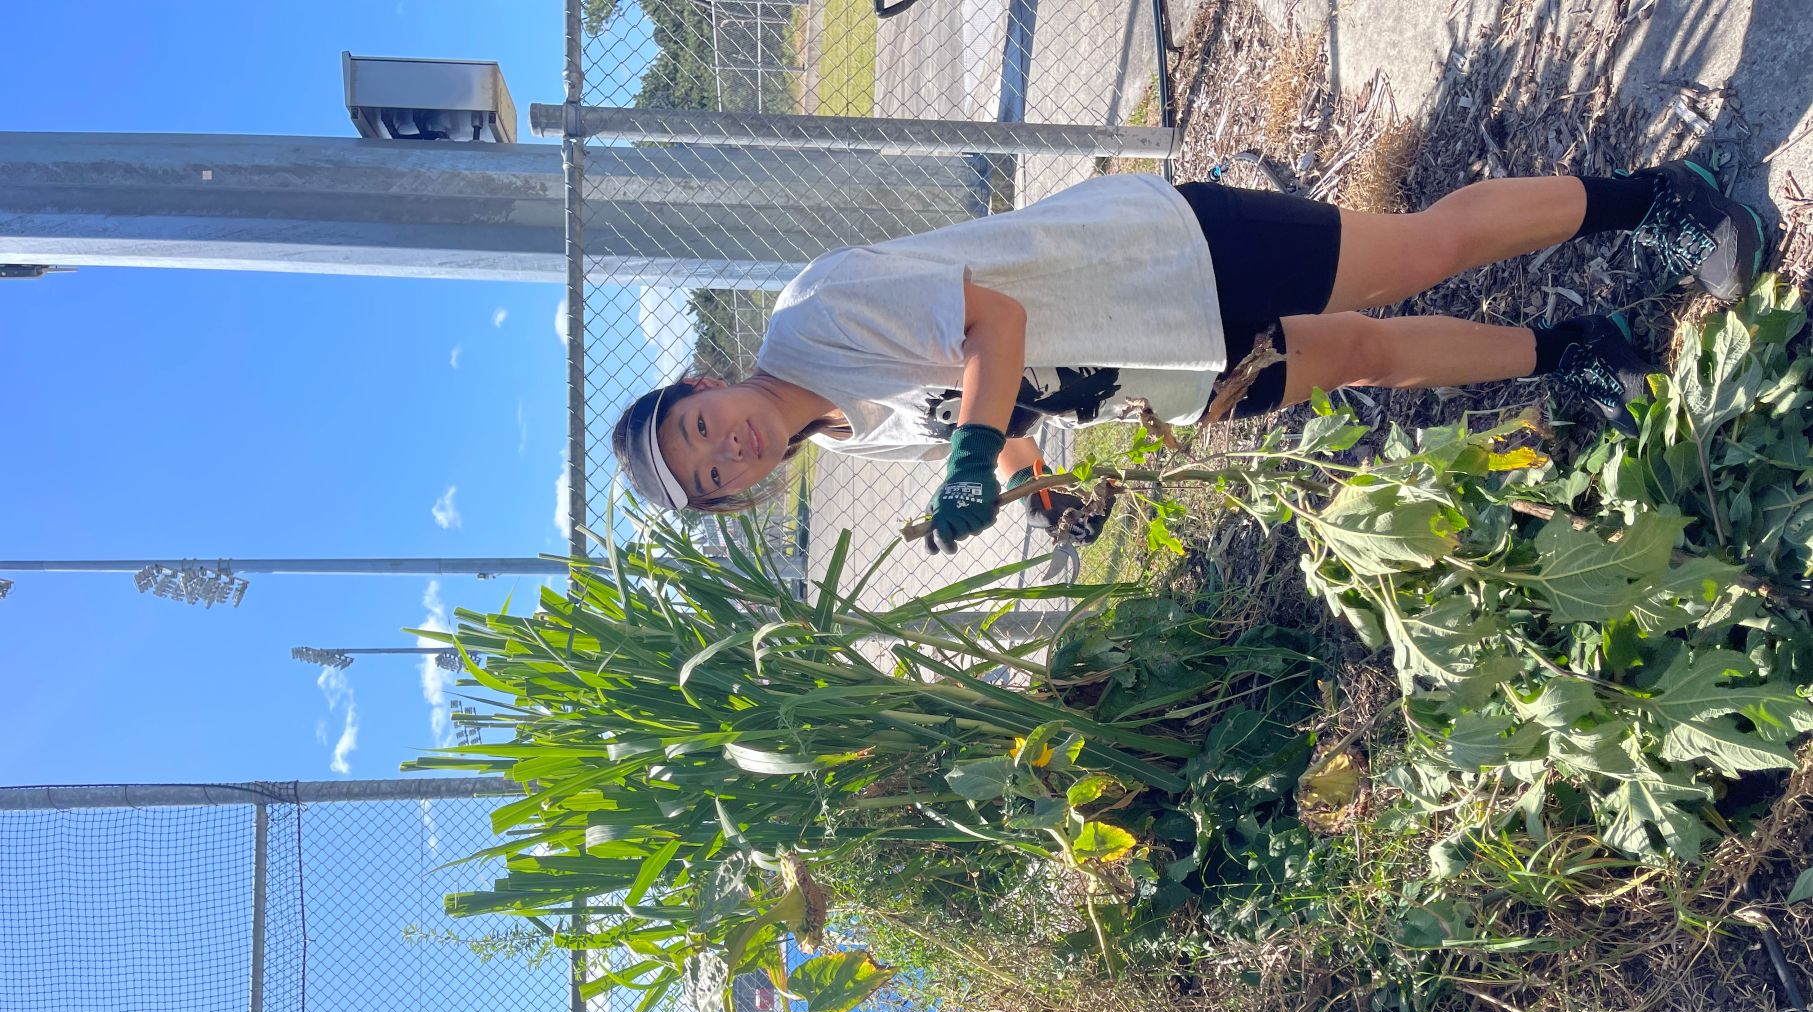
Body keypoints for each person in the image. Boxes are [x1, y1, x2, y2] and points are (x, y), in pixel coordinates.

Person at [611, 161, 1767, 555]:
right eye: (715, 477)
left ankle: (1659, 205)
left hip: (1164, 265)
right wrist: (1026, 486)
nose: (727, 452)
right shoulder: (843, 424)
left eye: (698, 431)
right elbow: (1002, 410)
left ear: (703, 387)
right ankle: (1574, 350)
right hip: (1158, 370)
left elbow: (994, 330)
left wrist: (970, 454)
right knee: (1368, 360)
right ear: (745, 494)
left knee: (1418, 249)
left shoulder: (810, 319)